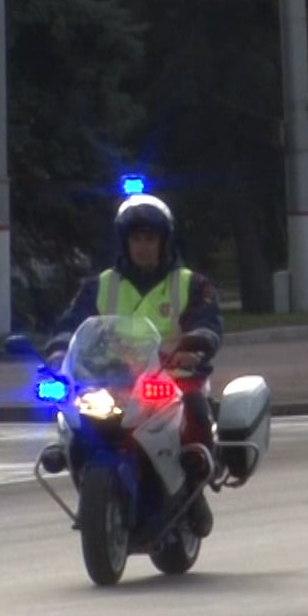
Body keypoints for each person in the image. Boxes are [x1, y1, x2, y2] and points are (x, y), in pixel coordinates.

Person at [48, 190, 224, 536]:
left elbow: (209, 320)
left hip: (173, 372)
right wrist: (58, 353)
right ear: (124, 242)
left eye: (150, 238)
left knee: (193, 401)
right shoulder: (98, 286)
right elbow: (70, 324)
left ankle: (198, 472)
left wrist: (199, 341)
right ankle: (71, 455)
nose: (143, 246)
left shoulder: (190, 284)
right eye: (136, 239)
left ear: (164, 242)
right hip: (111, 377)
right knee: (67, 402)